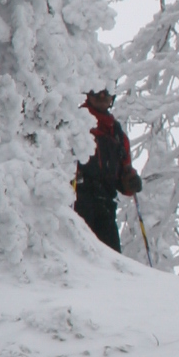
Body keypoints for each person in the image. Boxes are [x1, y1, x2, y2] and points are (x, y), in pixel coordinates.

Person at [73, 89, 142, 252]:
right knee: (81, 253)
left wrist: (131, 181)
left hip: (106, 205)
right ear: (88, 94)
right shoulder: (75, 122)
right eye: (96, 91)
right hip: (78, 200)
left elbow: (124, 172)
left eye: (107, 92)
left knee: (110, 257)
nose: (102, 96)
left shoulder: (117, 133)